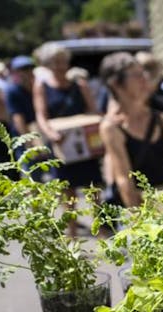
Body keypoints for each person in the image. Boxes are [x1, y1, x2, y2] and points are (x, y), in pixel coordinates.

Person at [99, 52, 163, 207]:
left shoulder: (161, 119)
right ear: (116, 84)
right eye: (136, 75)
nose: (144, 78)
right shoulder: (111, 127)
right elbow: (124, 180)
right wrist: (138, 223)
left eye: (143, 73)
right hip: (141, 211)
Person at [33, 42, 103, 237]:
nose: (60, 66)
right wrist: (50, 134)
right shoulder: (42, 86)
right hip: (60, 145)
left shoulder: (79, 84)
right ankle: (71, 232)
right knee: (67, 190)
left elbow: (92, 109)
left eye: (63, 61)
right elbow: (41, 115)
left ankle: (100, 227)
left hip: (83, 143)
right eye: (55, 62)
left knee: (93, 187)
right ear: (48, 64)